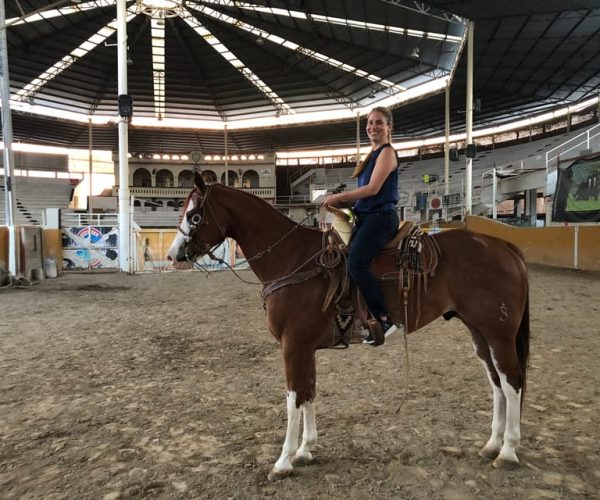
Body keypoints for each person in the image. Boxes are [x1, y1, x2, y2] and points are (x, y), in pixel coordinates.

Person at [323, 106, 400, 345]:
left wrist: (341, 197)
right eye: (369, 122)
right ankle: (356, 315)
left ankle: (384, 318)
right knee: (342, 258)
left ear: (388, 127)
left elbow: (373, 190)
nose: (372, 127)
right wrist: (343, 206)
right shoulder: (371, 156)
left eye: (378, 122)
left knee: (356, 262)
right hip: (367, 217)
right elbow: (364, 196)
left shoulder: (387, 153)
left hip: (380, 218)